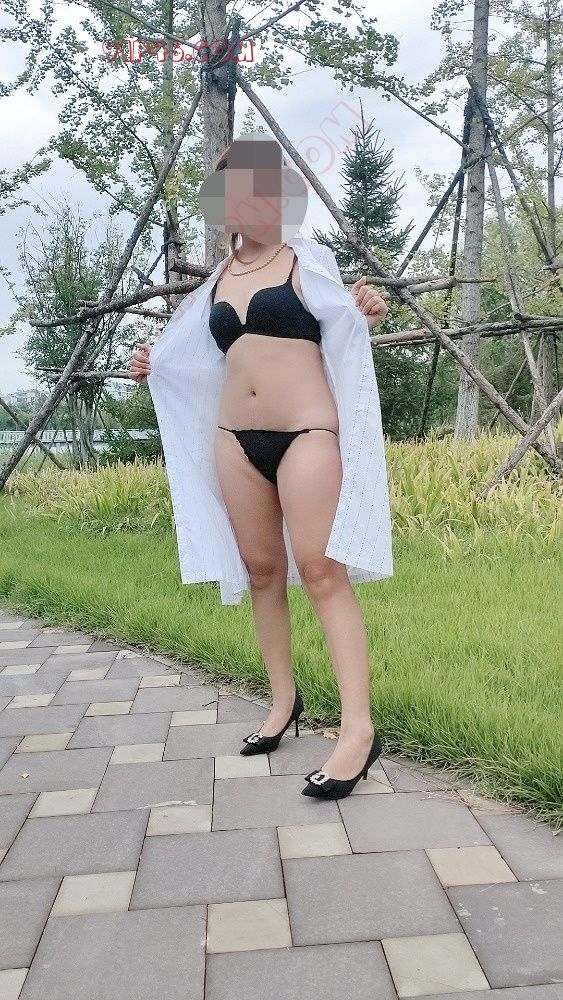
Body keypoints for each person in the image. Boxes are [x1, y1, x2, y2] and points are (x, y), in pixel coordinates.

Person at [129, 135, 392, 800]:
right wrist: (151, 365)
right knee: (262, 573)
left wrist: (368, 310)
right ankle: (282, 702)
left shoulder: (307, 260)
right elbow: (189, 359)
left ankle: (357, 731)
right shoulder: (215, 283)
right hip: (233, 440)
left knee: (322, 571)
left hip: (307, 433)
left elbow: (348, 317)